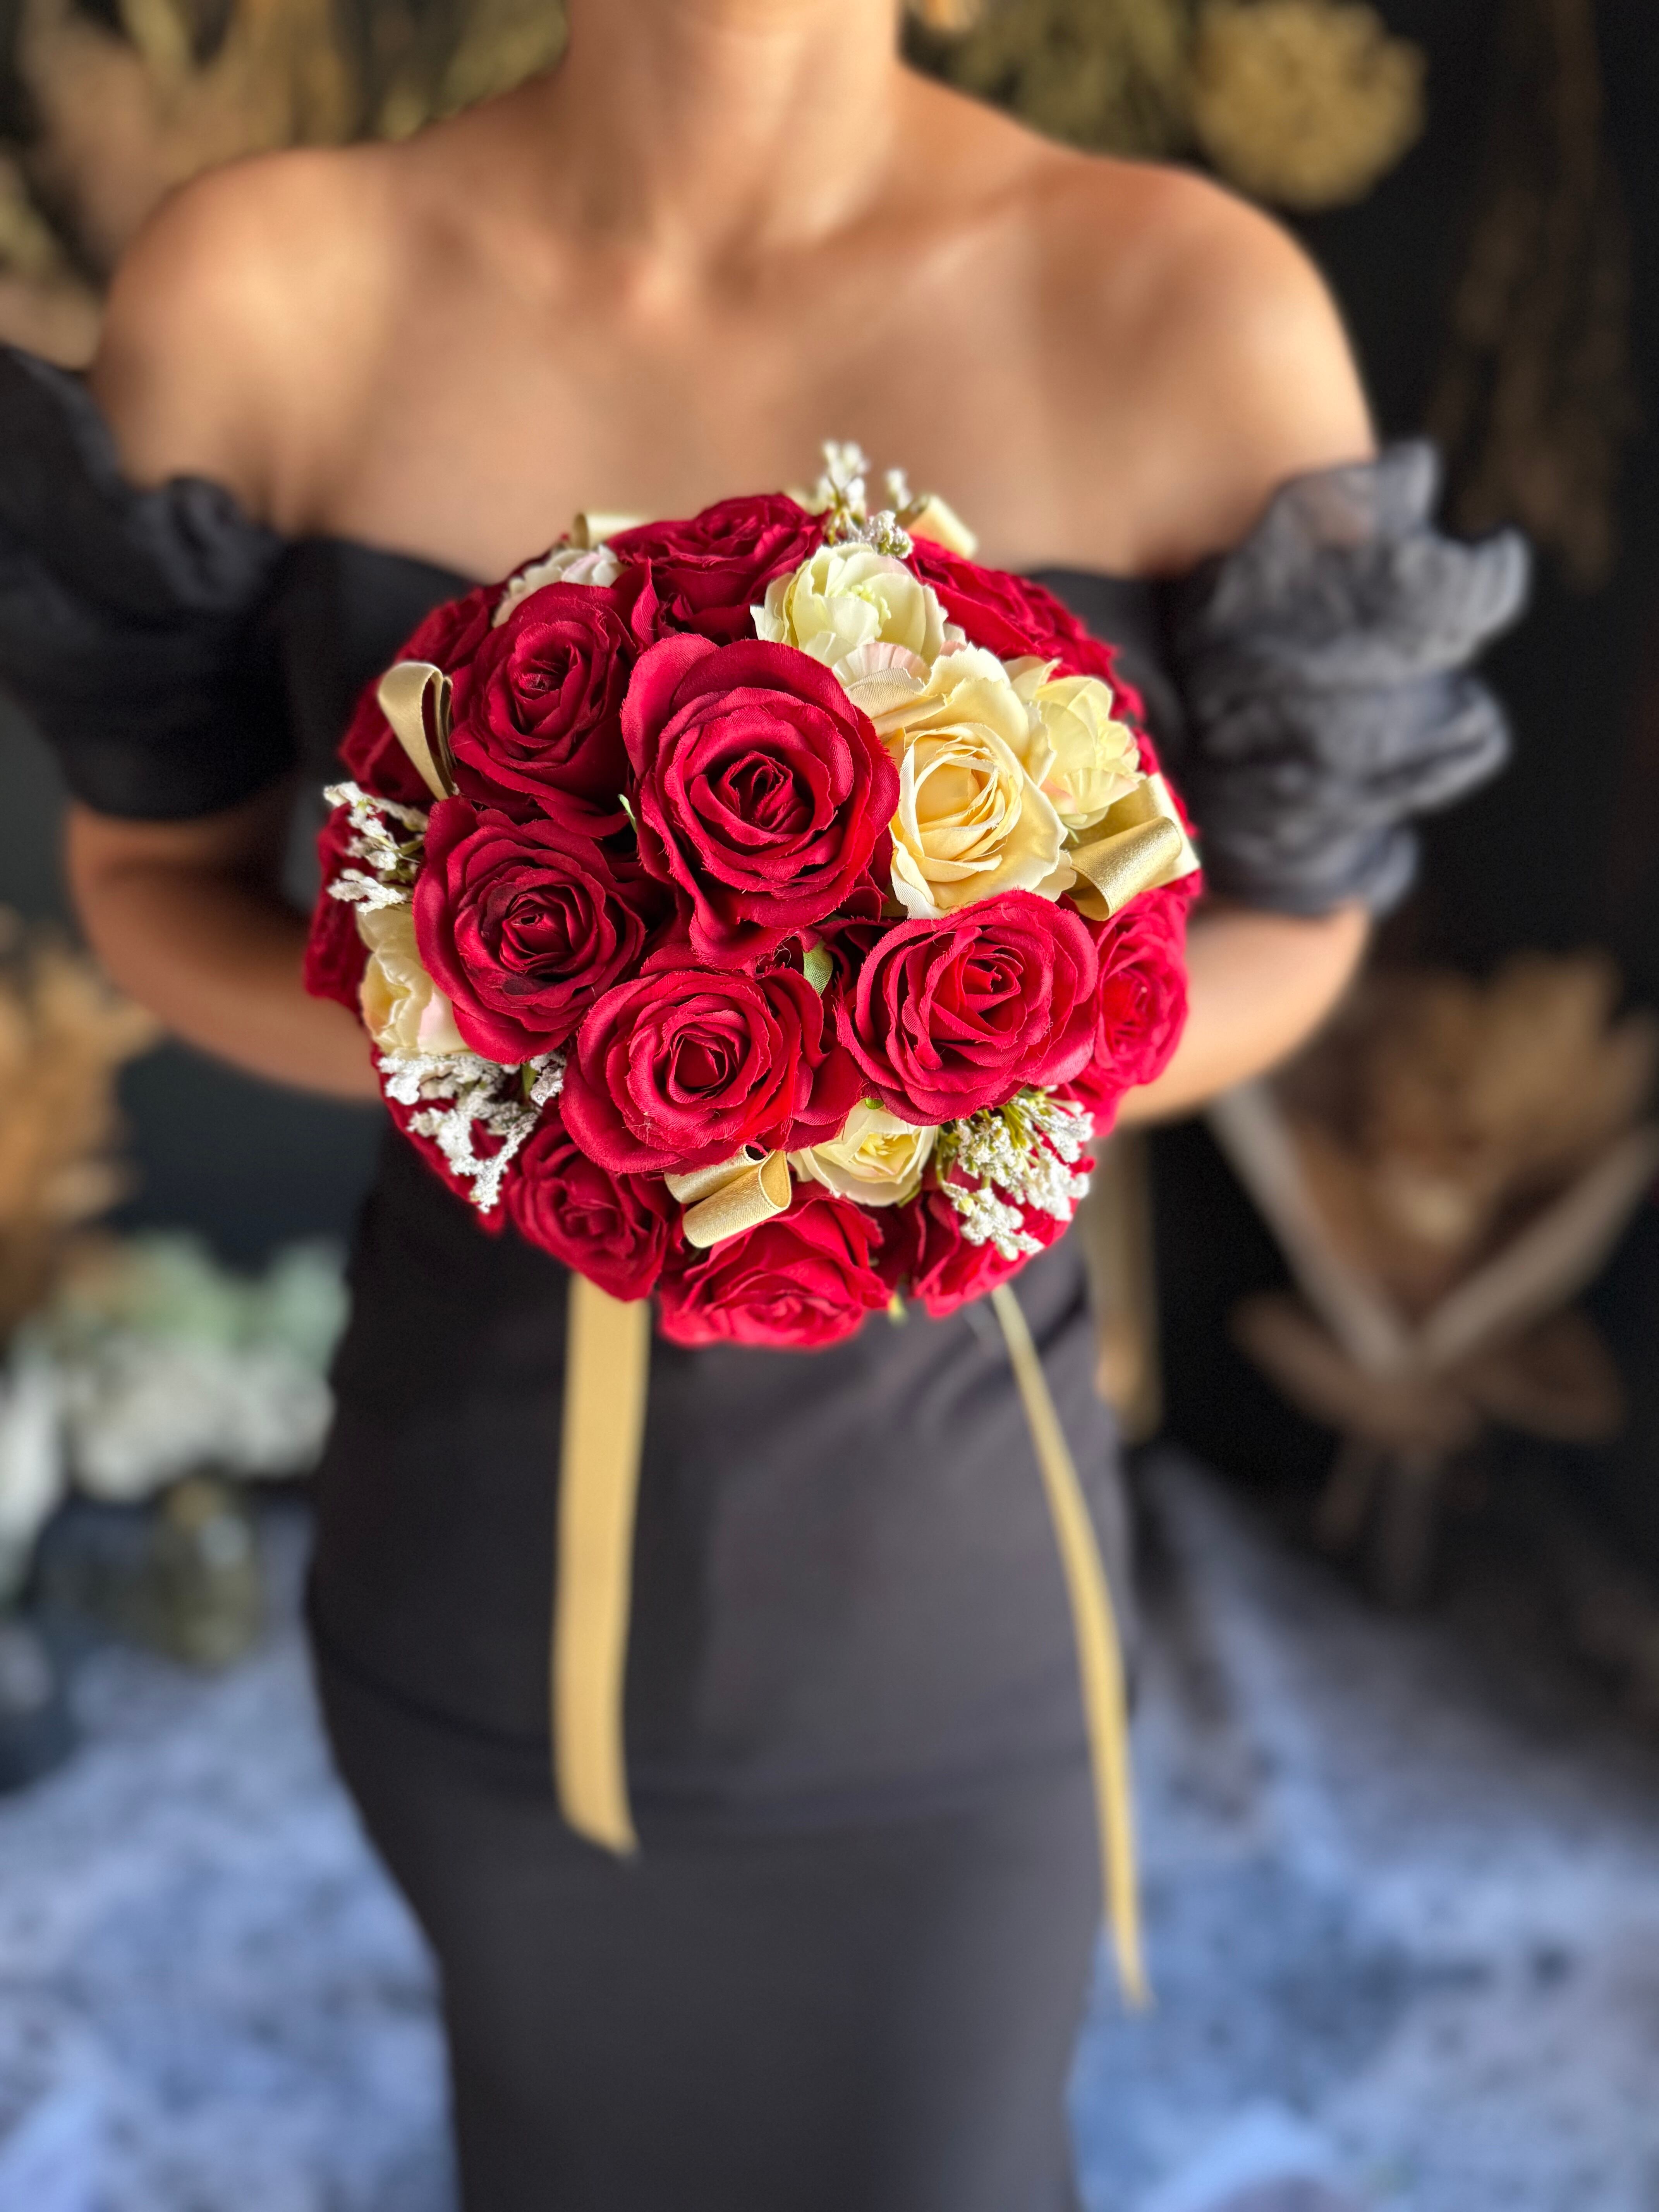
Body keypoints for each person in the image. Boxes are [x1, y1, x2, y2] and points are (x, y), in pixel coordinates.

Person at [0, 3, 1524, 2206]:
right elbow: (151, 882)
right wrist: (545, 1063)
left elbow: (1302, 923)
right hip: (470, 1549)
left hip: (940, 1594)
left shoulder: (1188, 301)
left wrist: (905, 1090)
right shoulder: (266, 279)